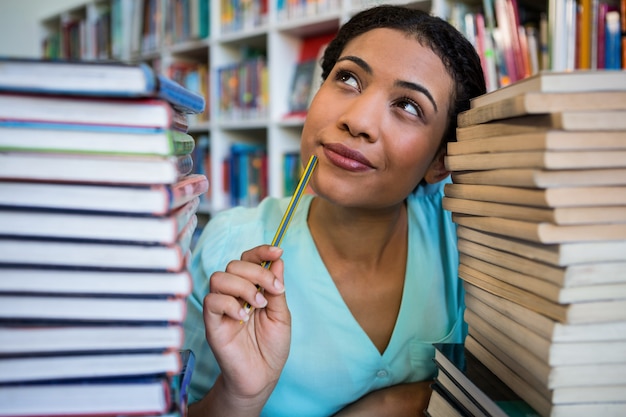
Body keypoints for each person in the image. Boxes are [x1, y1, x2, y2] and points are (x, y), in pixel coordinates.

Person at [183, 5, 486, 416]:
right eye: (347, 78)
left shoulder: (467, 233)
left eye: (410, 106)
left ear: (439, 163)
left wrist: (395, 403)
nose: (357, 120)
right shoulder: (228, 247)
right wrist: (239, 397)